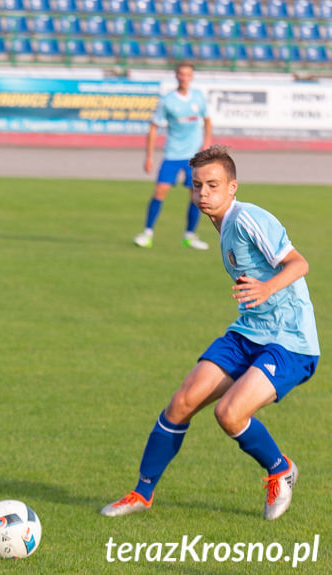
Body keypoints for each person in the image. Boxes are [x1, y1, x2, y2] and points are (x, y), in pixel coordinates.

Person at [103, 145, 320, 520]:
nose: (203, 193)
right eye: (197, 185)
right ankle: (141, 494)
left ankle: (280, 469)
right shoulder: (219, 224)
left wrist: (267, 288)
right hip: (247, 333)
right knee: (181, 403)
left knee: (229, 414)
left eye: (213, 185)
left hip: (289, 341)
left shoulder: (249, 218)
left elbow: (299, 264)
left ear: (232, 187)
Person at [134, 61, 212, 250]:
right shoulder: (168, 101)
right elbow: (153, 127)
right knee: (160, 191)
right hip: (172, 154)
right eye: (181, 74)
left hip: (193, 156)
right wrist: (149, 156)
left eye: (187, 74)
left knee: (196, 196)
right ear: (176, 76)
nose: (184, 78)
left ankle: (190, 236)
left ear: (192, 77)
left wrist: (207, 142)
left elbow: (207, 120)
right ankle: (147, 233)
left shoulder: (198, 98)